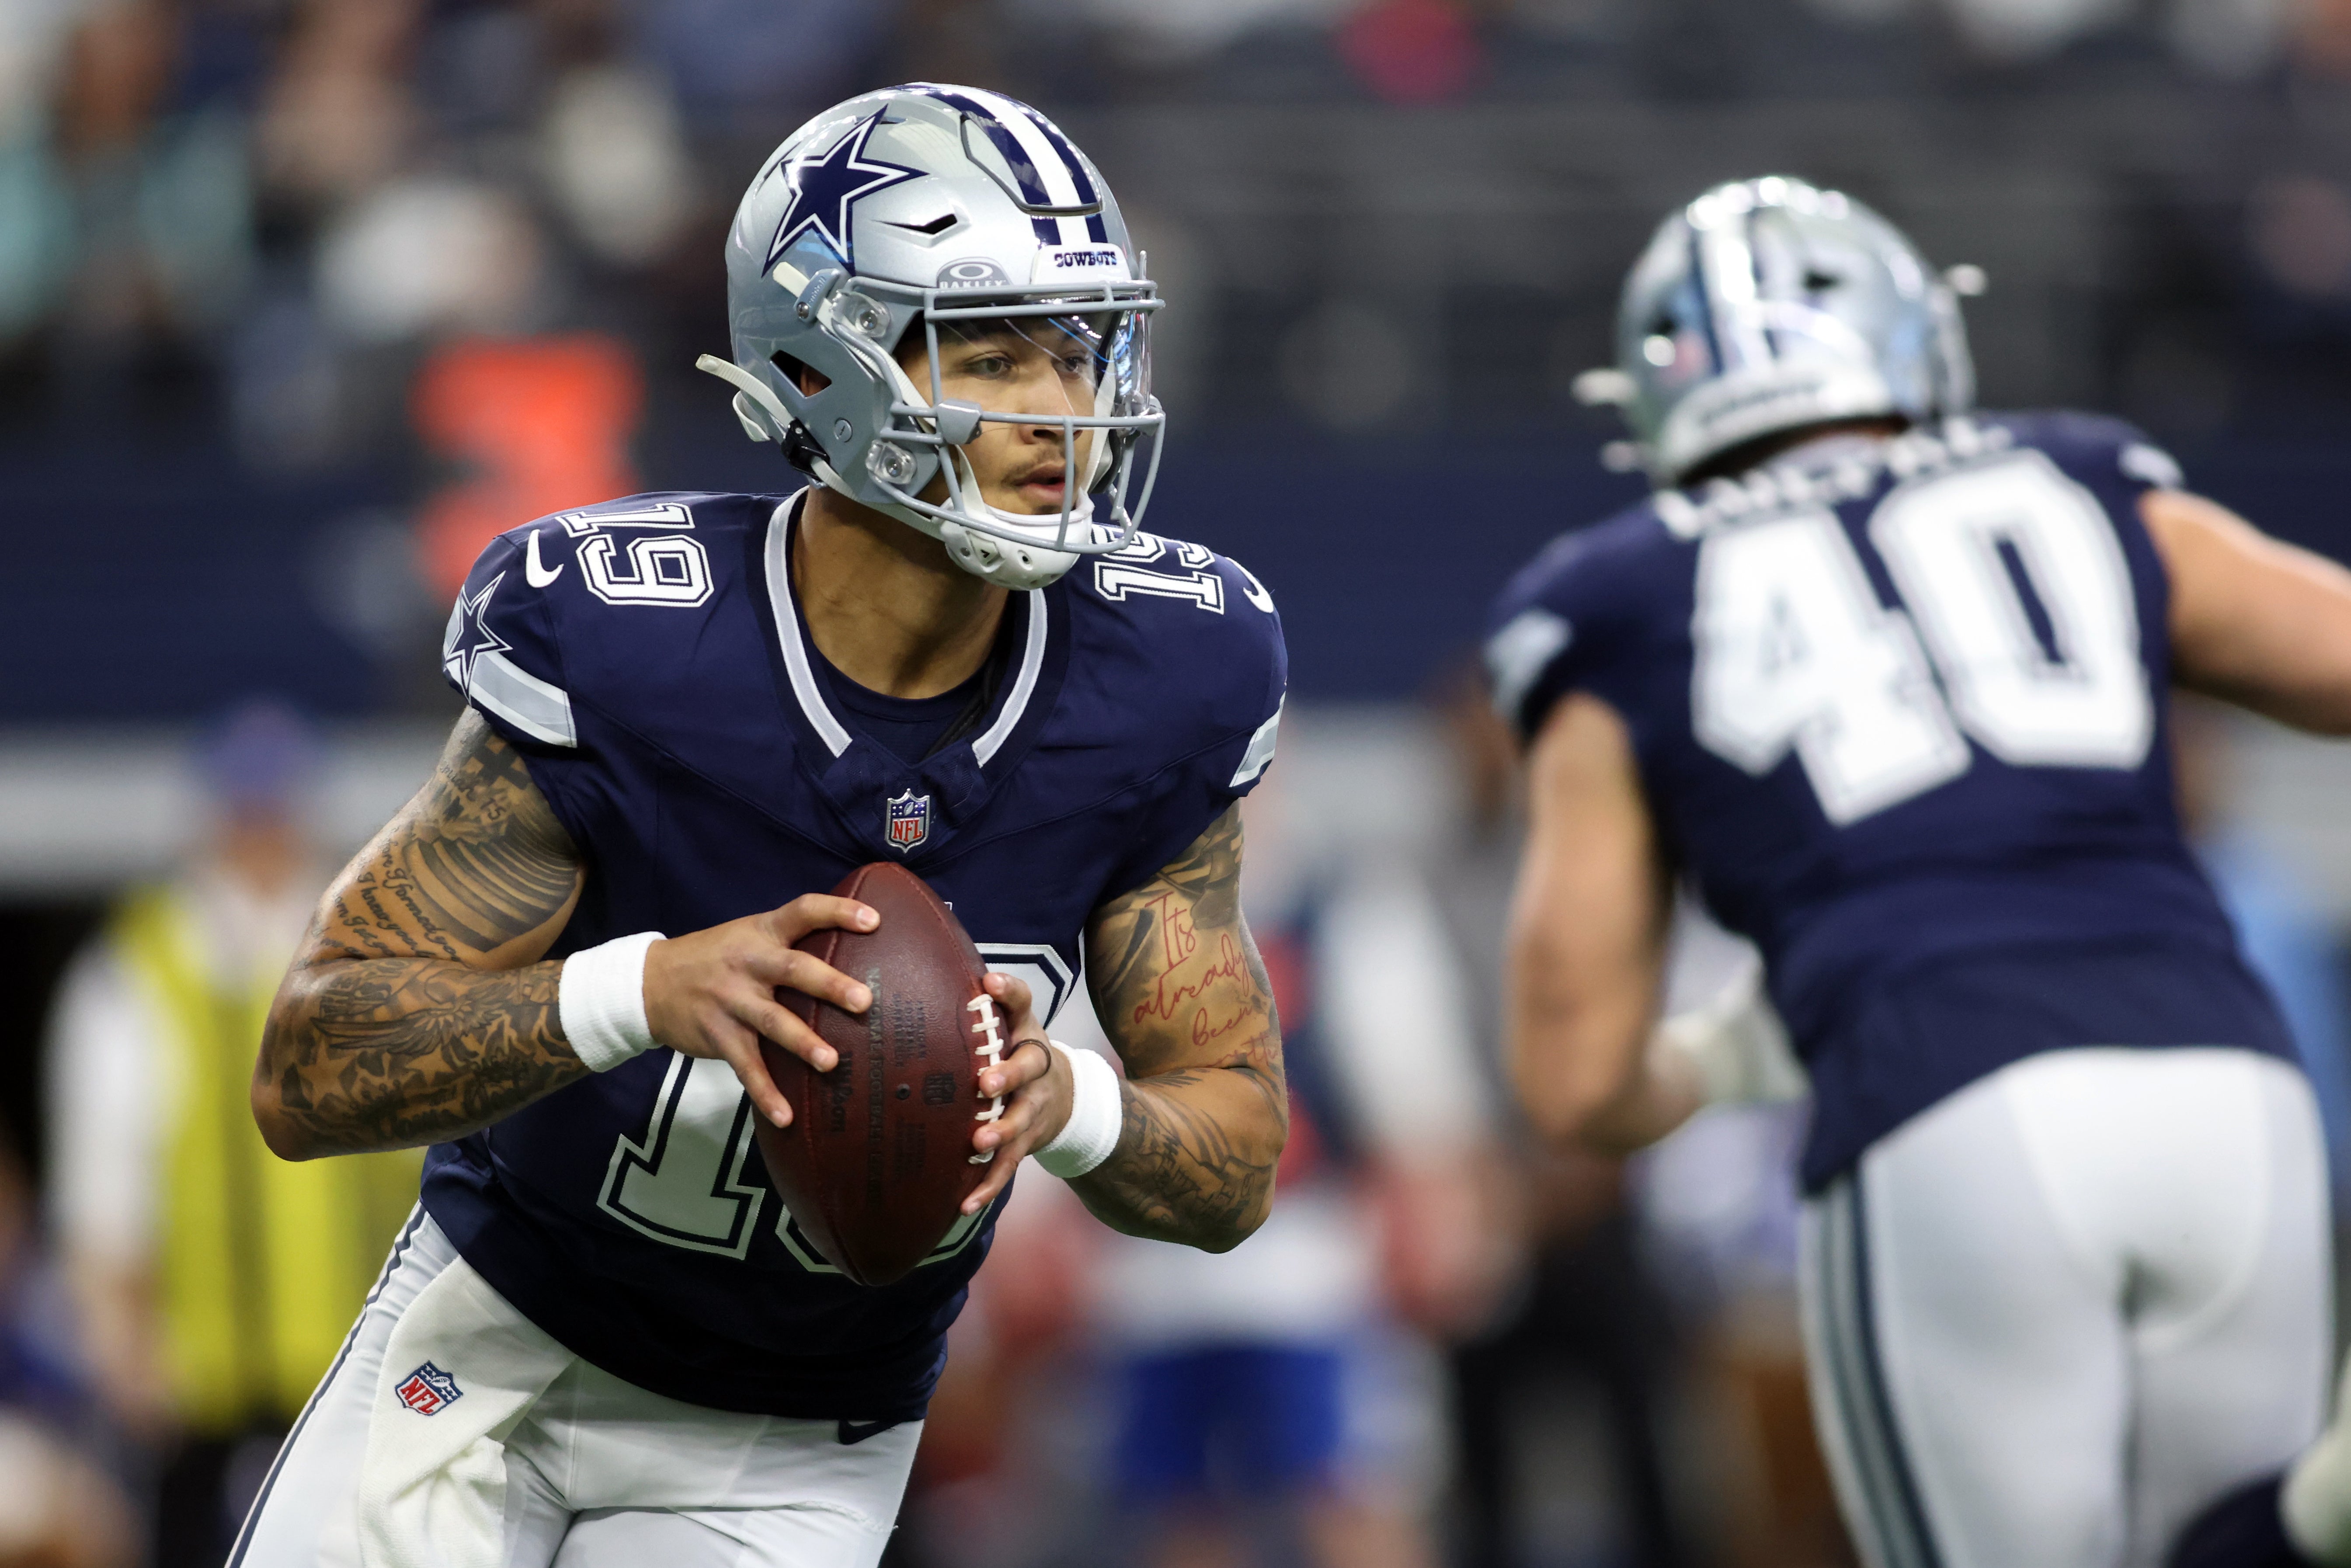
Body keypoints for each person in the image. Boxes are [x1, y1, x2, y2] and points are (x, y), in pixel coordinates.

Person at [232, 83, 1289, 1568]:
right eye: (993, 354)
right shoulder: (633, 641)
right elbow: (309, 1066)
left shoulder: (1165, 672)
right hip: (495, 1352)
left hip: (793, 1437)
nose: (1061, 409)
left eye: (1077, 349)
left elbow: (1238, 1154)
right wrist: (641, 988)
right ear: (819, 364)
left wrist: (1071, 1099)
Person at [1483, 174, 2351, 1568]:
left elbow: (1576, 1079)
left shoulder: (1615, 594)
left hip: (1940, 1095)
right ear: (1911, 331)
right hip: (2226, 1083)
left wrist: (1718, 1057)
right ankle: (2315, 1515)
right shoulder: (2077, 474)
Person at [42, 701, 419, 1568]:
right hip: (200, 1381)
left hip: (354, 1363)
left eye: (276, 813)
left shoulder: (368, 952)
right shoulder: (140, 968)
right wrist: (123, 1345)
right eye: (248, 814)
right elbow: (104, 1183)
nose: (263, 837)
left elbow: (417, 1155)